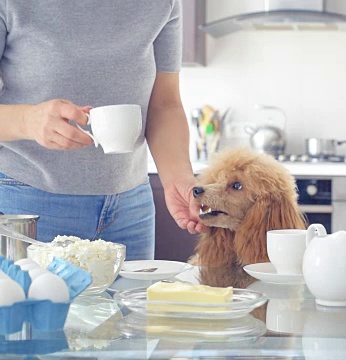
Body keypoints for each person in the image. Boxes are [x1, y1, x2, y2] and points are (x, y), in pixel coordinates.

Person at [0, 1, 206, 260]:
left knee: (129, 302)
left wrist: (178, 177)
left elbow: (164, 105)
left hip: (132, 210)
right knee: (39, 301)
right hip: (30, 201)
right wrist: (29, 120)